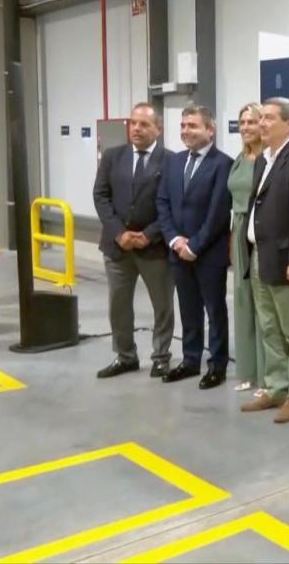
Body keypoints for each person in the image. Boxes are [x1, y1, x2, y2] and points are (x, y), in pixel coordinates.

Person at [239, 97, 289, 424]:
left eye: (269, 118)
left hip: (286, 260)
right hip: (260, 256)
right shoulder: (263, 159)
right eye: (261, 119)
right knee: (269, 327)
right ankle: (276, 386)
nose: (262, 124)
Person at [93, 102, 176, 379]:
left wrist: (149, 235)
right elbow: (101, 196)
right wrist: (119, 233)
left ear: (158, 129)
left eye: (144, 124)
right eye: (133, 123)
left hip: (154, 248)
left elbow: (172, 204)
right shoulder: (113, 157)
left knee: (162, 305)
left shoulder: (170, 161)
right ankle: (125, 355)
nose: (136, 129)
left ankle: (161, 357)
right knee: (119, 304)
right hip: (117, 247)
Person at [156, 104, 233, 389]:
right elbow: (162, 202)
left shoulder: (222, 164)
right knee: (188, 309)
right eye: (183, 126)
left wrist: (195, 246)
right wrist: (175, 240)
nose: (186, 131)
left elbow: (218, 213)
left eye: (193, 126)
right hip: (178, 251)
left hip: (208, 253)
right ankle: (190, 360)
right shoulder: (174, 162)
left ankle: (217, 365)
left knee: (214, 311)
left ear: (209, 130)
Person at [229, 103, 267, 393]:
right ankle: (247, 371)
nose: (245, 128)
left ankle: (267, 376)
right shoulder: (239, 159)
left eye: (251, 122)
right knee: (242, 303)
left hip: (258, 231)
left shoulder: (266, 160)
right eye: (242, 123)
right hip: (237, 230)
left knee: (262, 306)